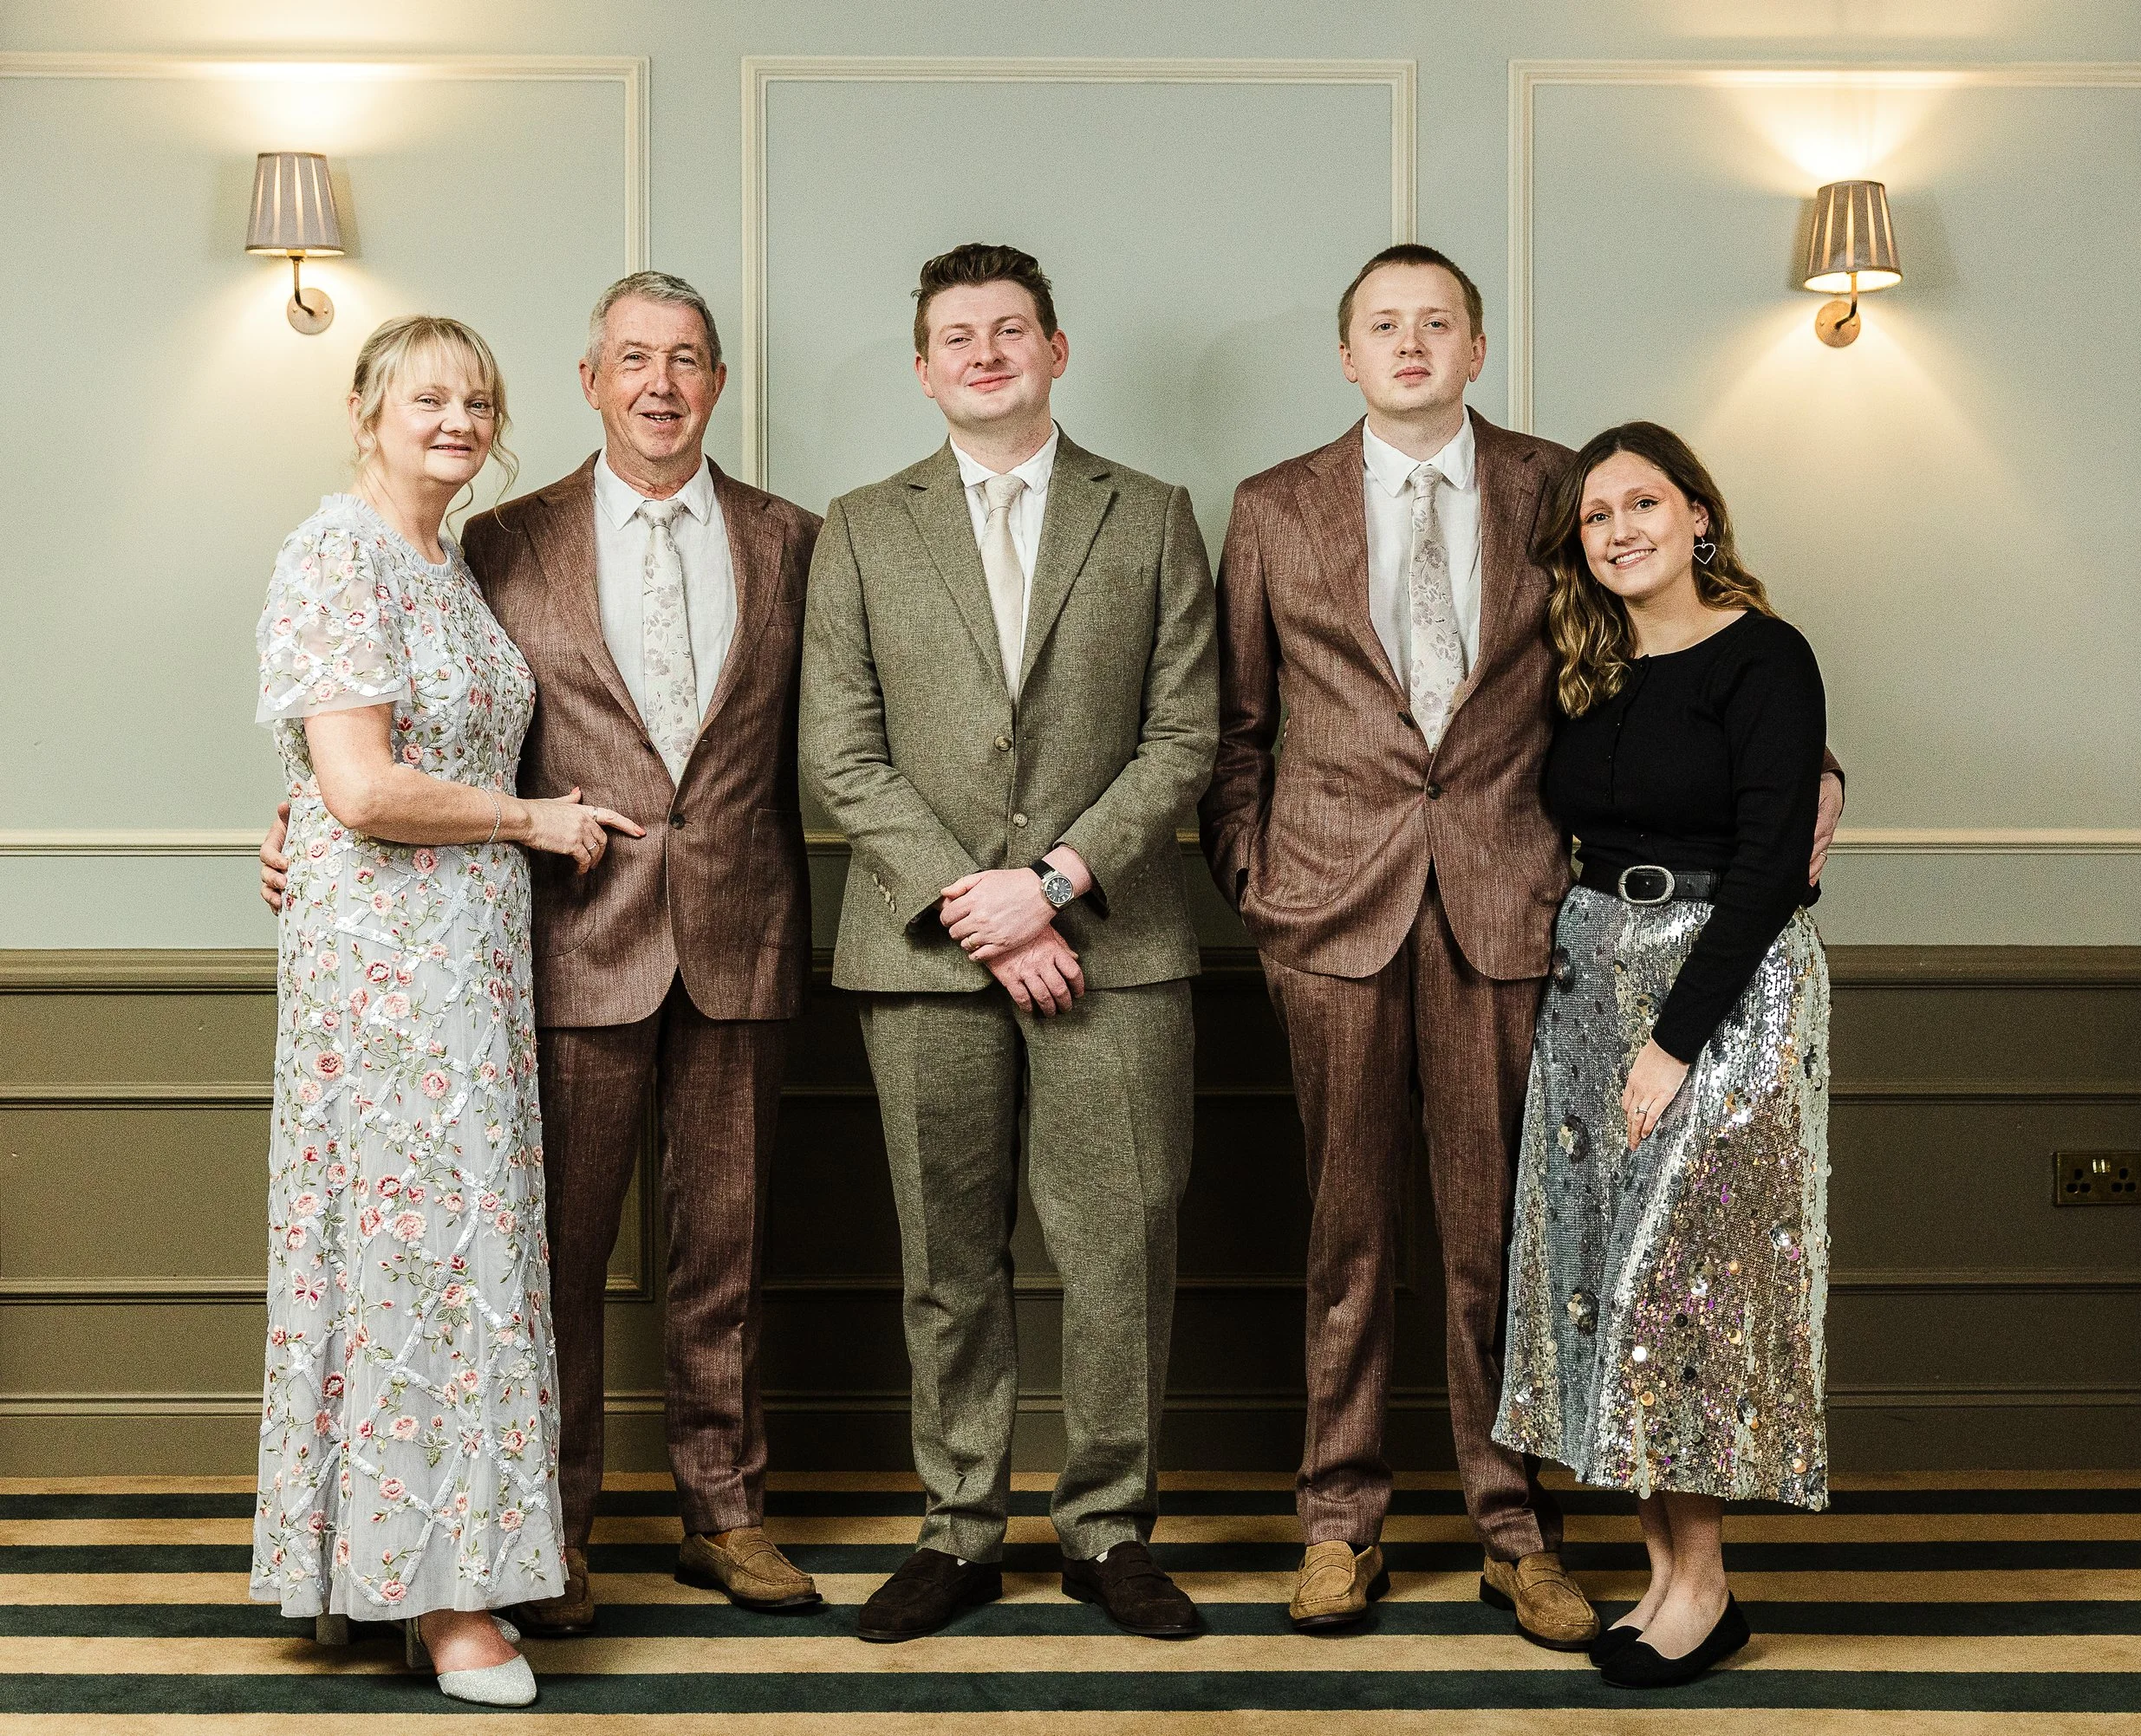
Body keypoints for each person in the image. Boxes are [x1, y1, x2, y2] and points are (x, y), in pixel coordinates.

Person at [1199, 246, 1844, 1644]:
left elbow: (1664, 661)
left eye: (1438, 321)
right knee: (1345, 1235)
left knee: (1501, 1239)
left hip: (1513, 915)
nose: (1411, 342)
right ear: (1349, 356)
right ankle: (1338, 1520)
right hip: (1326, 915)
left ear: (1476, 349)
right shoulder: (1270, 507)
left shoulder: (1558, 489)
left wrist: (1814, 766)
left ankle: (1514, 1526)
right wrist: (1255, 884)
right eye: (1384, 324)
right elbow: (1236, 724)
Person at [260, 271, 823, 1633]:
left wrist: (325, 801)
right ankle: (549, 1533)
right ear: (589, 382)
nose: (659, 383)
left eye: (685, 359)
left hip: (738, 929)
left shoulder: (795, 540)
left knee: (726, 1246)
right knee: (544, 1257)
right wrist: (299, 814)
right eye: (633, 357)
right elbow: (371, 741)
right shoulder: (503, 540)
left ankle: (726, 1512)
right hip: (563, 936)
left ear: (718, 382)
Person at [799, 242, 1218, 1643]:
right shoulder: (862, 528)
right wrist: (975, 905)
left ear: (1056, 350)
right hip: (923, 955)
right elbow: (841, 753)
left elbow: (1184, 736)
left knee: (1121, 1252)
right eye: (958, 337)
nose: (985, 353)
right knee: (946, 1259)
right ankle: (959, 1529)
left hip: (1116, 944)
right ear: (924, 370)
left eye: (1010, 330)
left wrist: (1052, 880)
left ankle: (1108, 1530)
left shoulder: (1151, 516)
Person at [251, 314, 641, 1707]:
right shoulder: (336, 553)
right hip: (386, 969)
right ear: (367, 408)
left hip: (469, 957)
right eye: (429, 397)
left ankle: (429, 1557)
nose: (459, 419)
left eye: (478, 399)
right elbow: (360, 786)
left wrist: (296, 810)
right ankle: (439, 1597)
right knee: (412, 1257)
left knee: (469, 1254)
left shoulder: (451, 562)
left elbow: (348, 768)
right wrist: (529, 818)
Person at [1493, 421, 1832, 1689]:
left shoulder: (1766, 655)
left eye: (1643, 503)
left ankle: (1706, 1586)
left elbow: (1768, 862)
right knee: (1606, 1285)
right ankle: (1666, 1577)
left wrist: (1673, 1044)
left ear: (1698, 515)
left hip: (1724, 994)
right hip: (1591, 979)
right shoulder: (1586, 665)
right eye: (1596, 515)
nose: (1620, 529)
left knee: (1683, 1291)